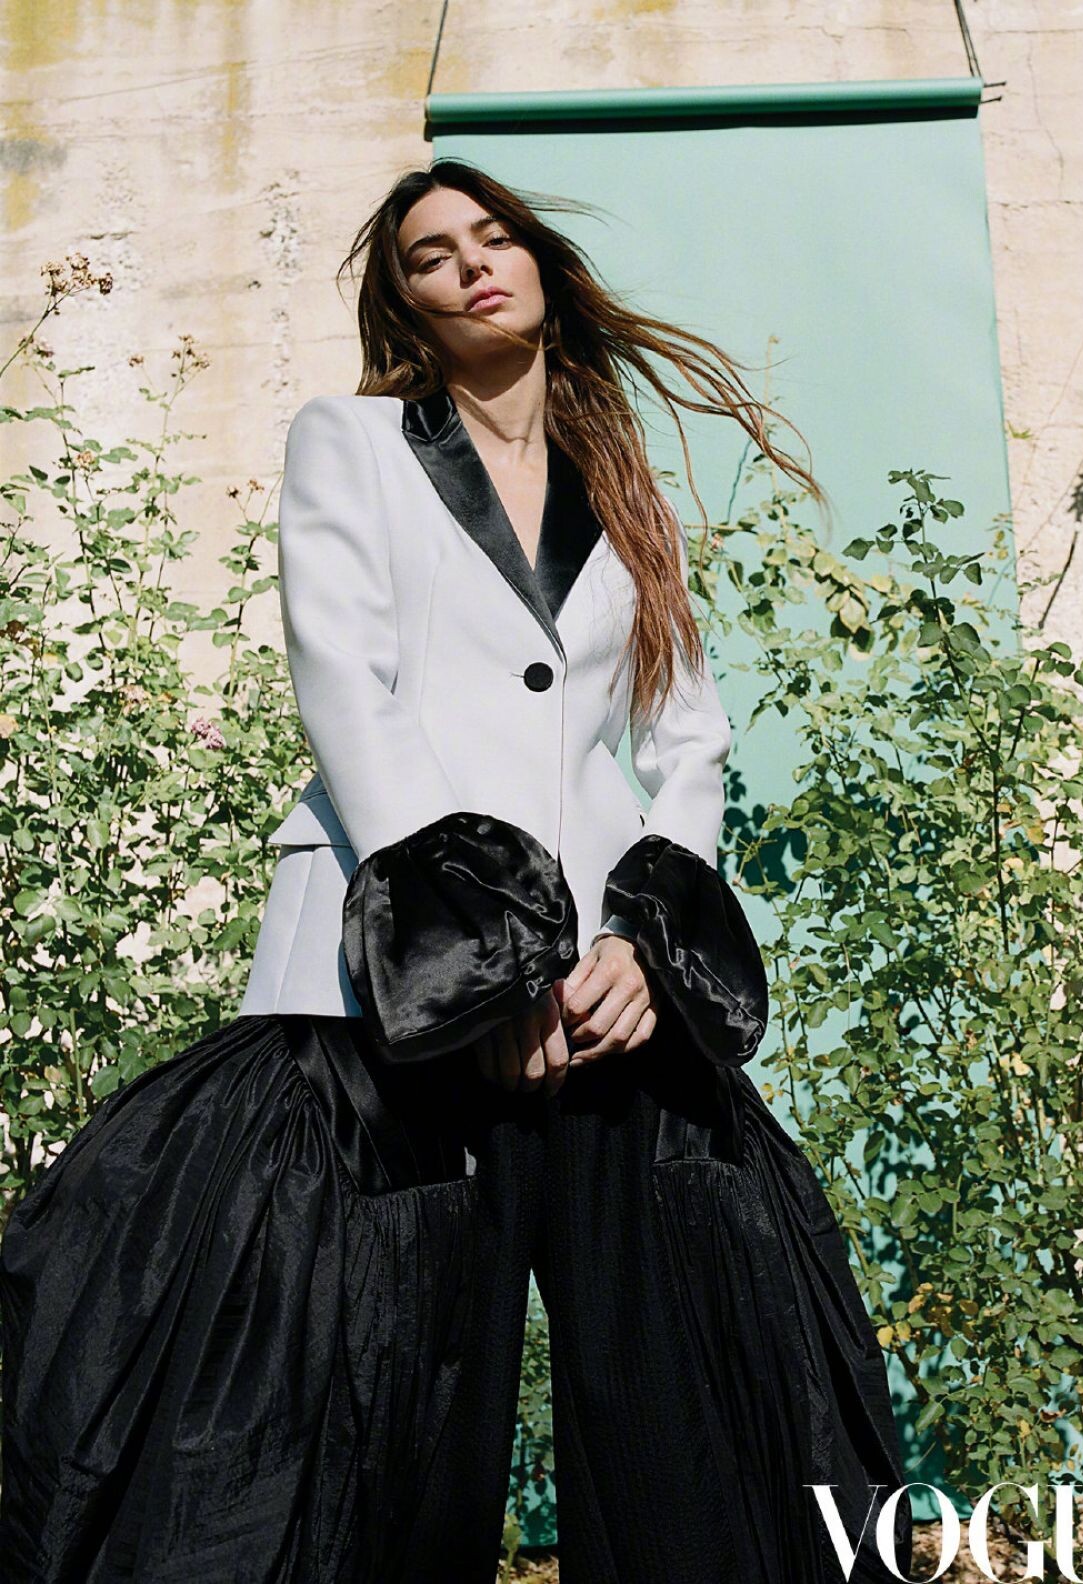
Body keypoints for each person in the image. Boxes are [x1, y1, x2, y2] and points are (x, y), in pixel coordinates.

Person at [0, 158, 913, 1584]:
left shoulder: (625, 485)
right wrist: (483, 966)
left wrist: (641, 940)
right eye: (434, 255)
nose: (473, 264)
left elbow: (687, 736)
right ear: (408, 303)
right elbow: (347, 688)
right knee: (380, 1415)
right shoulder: (349, 443)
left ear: (539, 264)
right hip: (388, 993)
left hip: (607, 1006)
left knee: (674, 1412)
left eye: (495, 238)